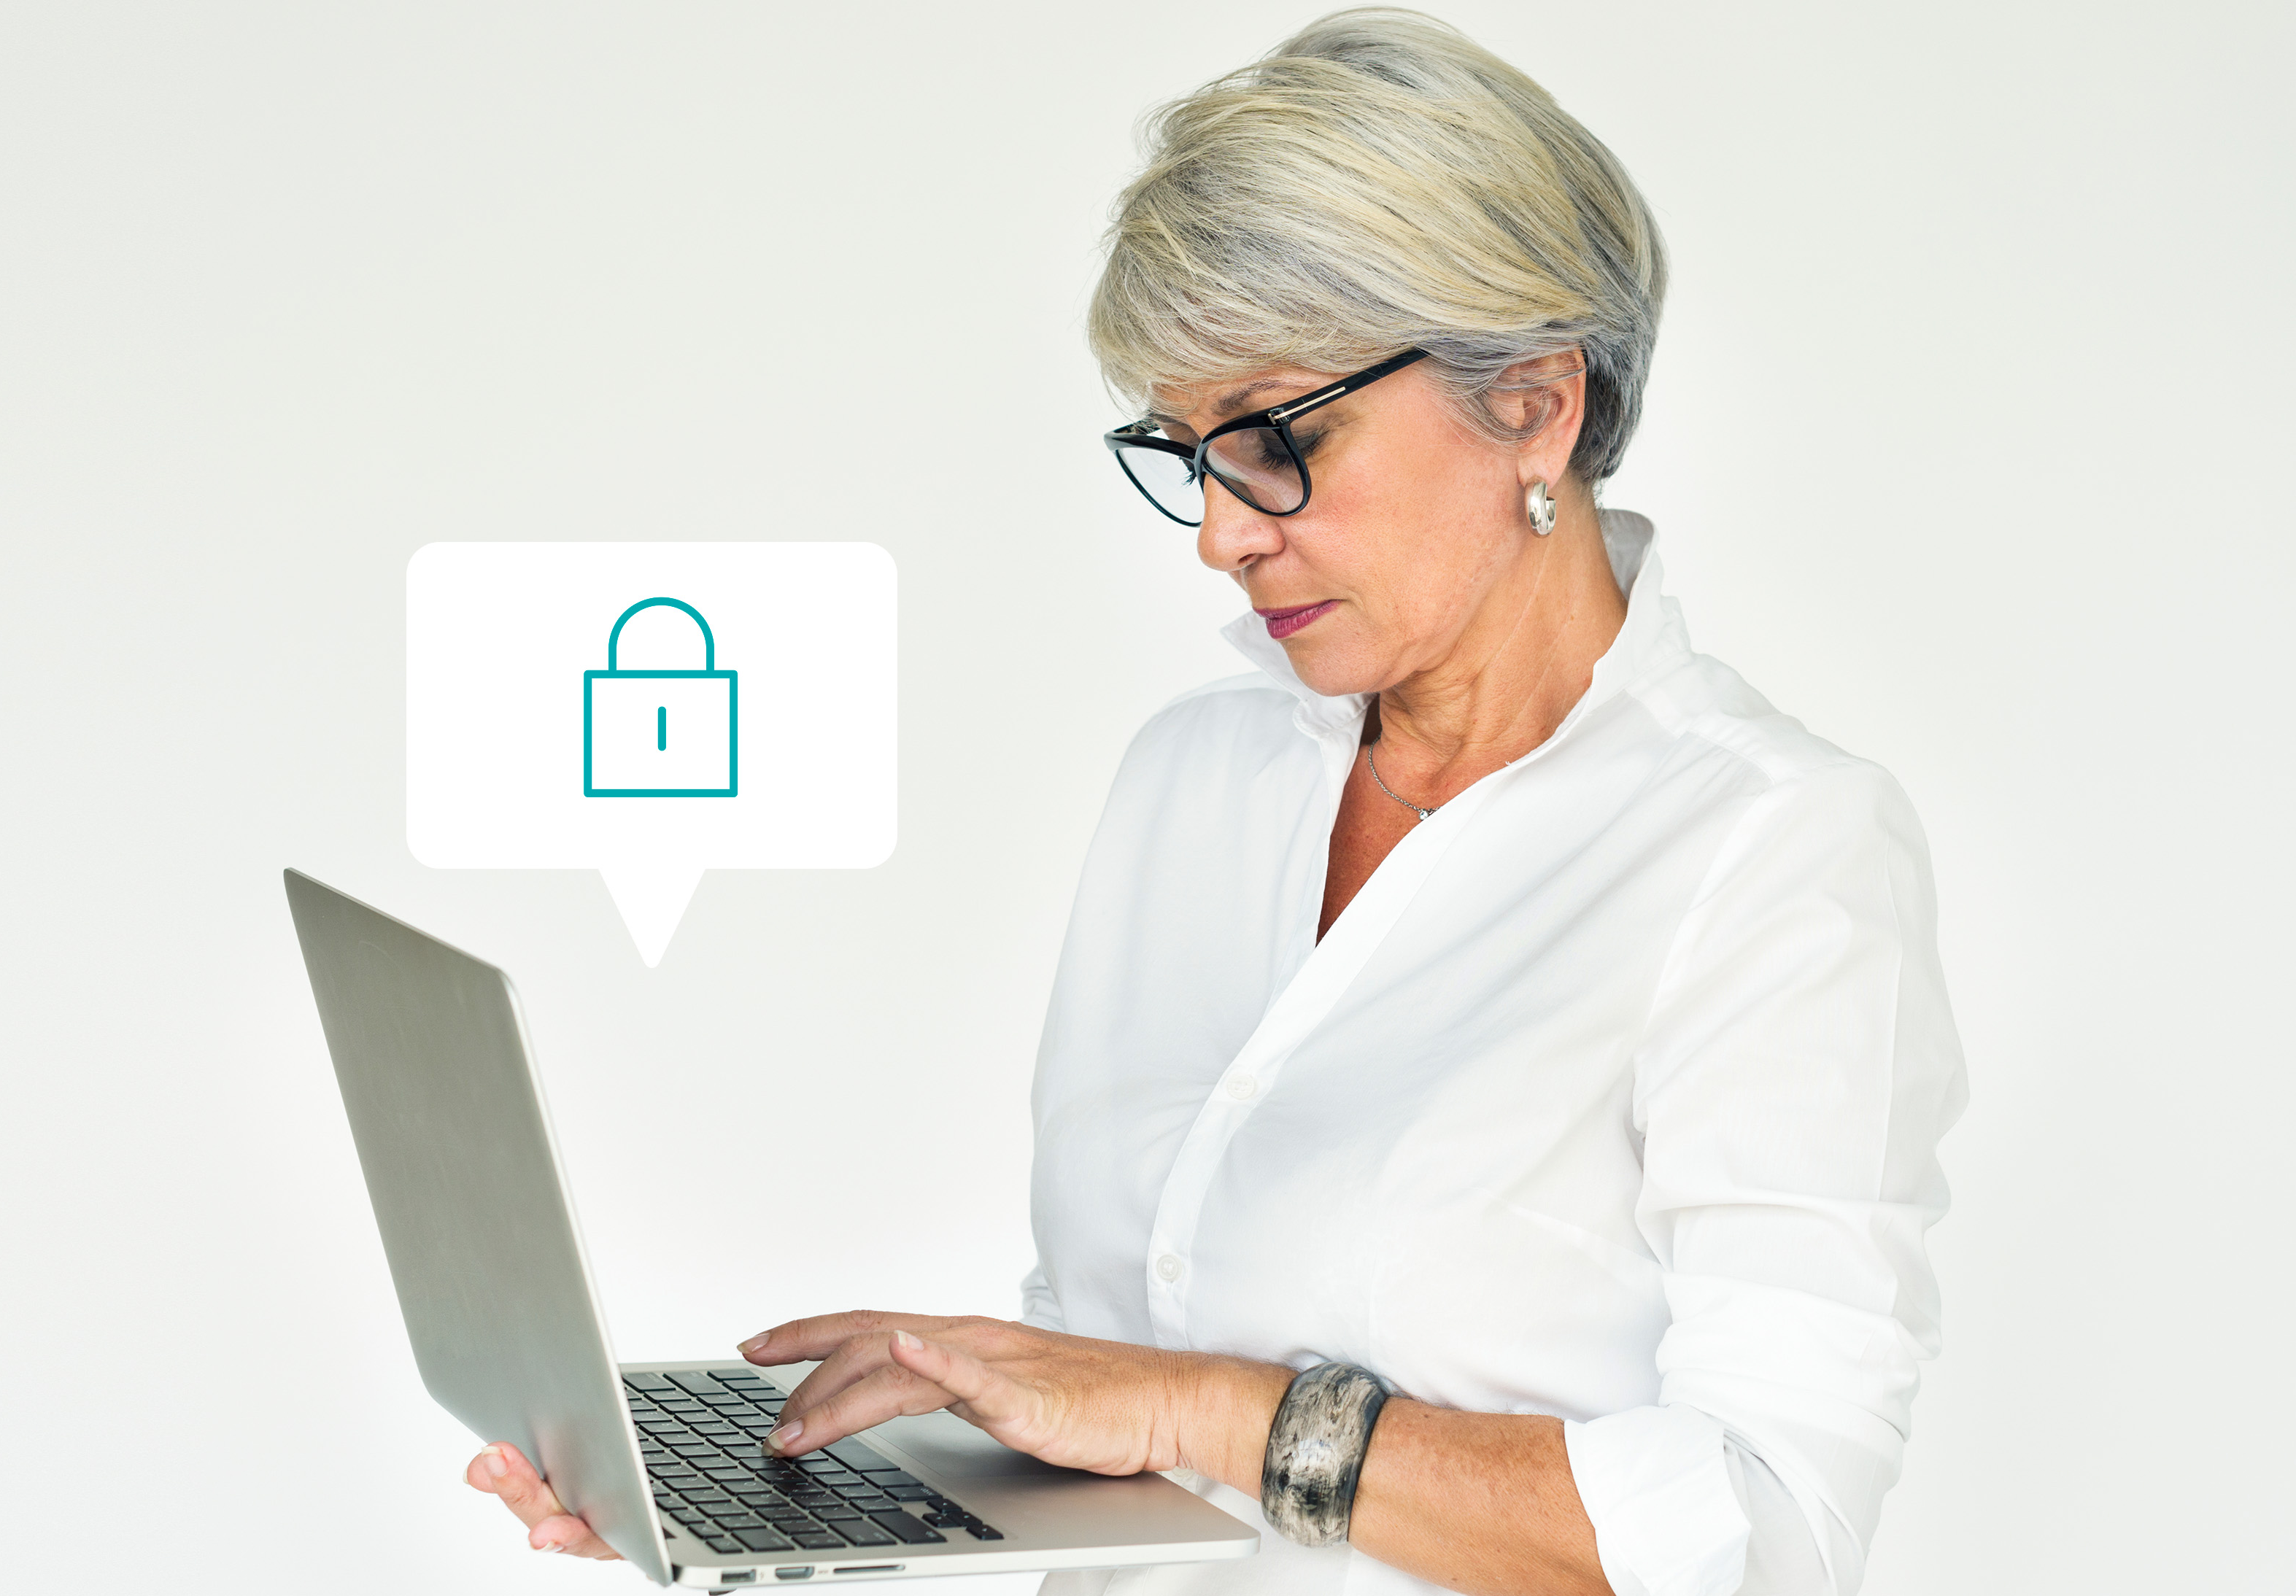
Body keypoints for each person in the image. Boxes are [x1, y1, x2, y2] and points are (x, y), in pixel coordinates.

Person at [458, 11, 1963, 1595]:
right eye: (1186, 454)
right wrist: (855, 1451)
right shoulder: (1197, 777)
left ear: (1533, 402)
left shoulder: (1770, 852)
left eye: (1277, 441)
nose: (1219, 535)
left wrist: (1186, 1400)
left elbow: (1765, 1529)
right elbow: (1128, 1380)